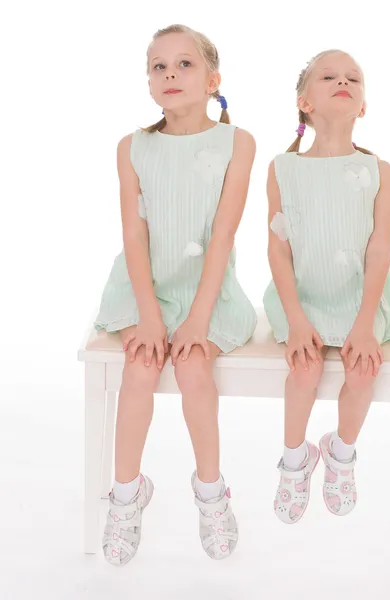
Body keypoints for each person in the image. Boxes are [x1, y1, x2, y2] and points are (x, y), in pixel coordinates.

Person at [94, 24, 257, 564]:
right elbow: (133, 234)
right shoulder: (132, 147)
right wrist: (148, 315)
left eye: (184, 64)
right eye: (158, 66)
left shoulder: (237, 142)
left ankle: (211, 493)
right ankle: (125, 497)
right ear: (148, 81)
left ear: (213, 79)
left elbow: (224, 235)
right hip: (142, 290)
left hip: (206, 293)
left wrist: (197, 319)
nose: (170, 74)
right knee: (141, 365)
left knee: (191, 368)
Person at [263, 49, 390, 523]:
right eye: (329, 76)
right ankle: (294, 460)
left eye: (353, 78)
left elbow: (378, 251)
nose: (343, 81)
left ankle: (341, 453)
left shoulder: (378, 172)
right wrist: (297, 318)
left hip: (359, 298)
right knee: (303, 370)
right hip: (302, 298)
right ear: (305, 101)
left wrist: (365, 323)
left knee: (363, 368)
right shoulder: (283, 169)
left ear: (363, 105)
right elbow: (278, 249)